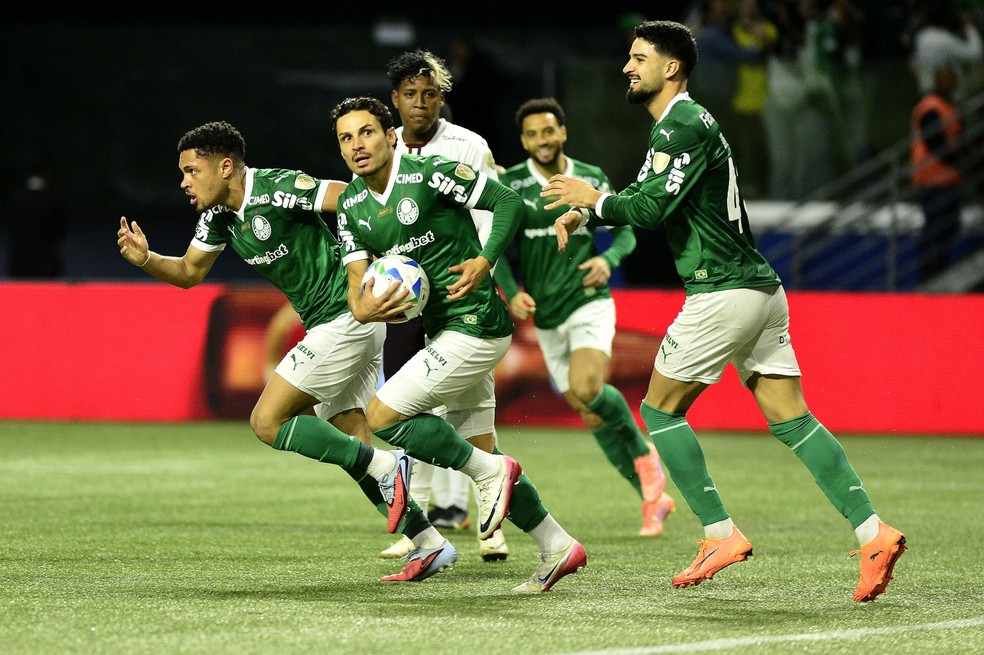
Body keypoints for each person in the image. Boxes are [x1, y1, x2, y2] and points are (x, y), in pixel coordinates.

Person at [543, 20, 905, 602]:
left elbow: (651, 209)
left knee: (659, 412)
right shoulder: (684, 124)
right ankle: (873, 533)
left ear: (672, 68)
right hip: (760, 290)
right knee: (793, 420)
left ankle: (719, 534)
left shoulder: (679, 124)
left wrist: (591, 197)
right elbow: (647, 197)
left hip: (720, 290)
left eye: (639, 58)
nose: (627, 67)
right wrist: (590, 213)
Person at [116, 120, 458, 583]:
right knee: (351, 445)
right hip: (334, 325)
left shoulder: (278, 188)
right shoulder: (218, 217)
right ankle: (430, 542)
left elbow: (351, 197)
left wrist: (385, 248)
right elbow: (190, 272)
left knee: (267, 421)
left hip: (347, 317)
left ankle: (388, 463)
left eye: (191, 171)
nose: (183, 182)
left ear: (225, 166)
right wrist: (146, 259)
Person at [330, 96, 586, 593]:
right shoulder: (352, 207)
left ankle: (491, 472)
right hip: (441, 329)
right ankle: (557, 545)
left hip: (478, 323)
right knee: (479, 450)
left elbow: (508, 201)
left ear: (390, 136)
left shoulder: (429, 173)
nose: (357, 145)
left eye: (366, 132)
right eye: (346, 138)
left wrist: (485, 260)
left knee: (381, 416)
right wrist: (366, 307)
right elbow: (357, 287)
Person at [495, 97, 675, 538]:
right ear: (524, 141)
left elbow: (626, 230)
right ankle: (652, 498)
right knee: (591, 414)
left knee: (587, 386)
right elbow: (495, 249)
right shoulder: (511, 185)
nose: (542, 140)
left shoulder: (589, 176)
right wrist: (513, 293)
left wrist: (608, 260)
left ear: (563, 132)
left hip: (588, 300)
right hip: (546, 316)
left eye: (548, 131)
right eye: (533, 134)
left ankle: (645, 456)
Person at [378, 48, 510, 563]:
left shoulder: (467, 145)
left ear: (441, 97)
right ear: (395, 99)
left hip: (459, 293)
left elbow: (492, 212)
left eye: (429, 93)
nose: (420, 103)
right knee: (407, 408)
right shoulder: (383, 146)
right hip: (404, 296)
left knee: (473, 406)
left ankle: (489, 525)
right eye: (410, 94)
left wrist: (483, 268)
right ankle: (420, 527)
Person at [911, 65, 965, 284]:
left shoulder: (948, 106)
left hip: (949, 181)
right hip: (934, 181)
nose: (951, 84)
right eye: (946, 79)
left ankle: (938, 277)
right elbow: (935, 141)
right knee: (935, 233)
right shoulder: (931, 106)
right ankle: (930, 280)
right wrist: (960, 162)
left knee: (946, 233)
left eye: (952, 79)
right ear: (937, 81)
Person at [4, 155, 70, 278]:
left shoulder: (16, 199)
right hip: (46, 265)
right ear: (47, 172)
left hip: (19, 263)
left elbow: (11, 228)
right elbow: (61, 232)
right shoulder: (55, 200)